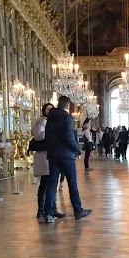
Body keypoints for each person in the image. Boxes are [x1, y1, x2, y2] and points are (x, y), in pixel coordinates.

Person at [43, 95, 93, 224]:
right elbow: (69, 137)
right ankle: (78, 210)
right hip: (66, 156)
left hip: (53, 155)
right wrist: (76, 150)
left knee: (52, 184)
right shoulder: (66, 117)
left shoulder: (50, 118)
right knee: (72, 183)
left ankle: (48, 214)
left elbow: (47, 136)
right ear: (68, 106)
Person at [31, 102, 54, 220]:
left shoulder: (44, 121)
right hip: (44, 156)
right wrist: (52, 132)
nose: (50, 111)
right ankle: (43, 209)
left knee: (47, 184)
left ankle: (48, 208)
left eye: (52, 109)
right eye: (48, 109)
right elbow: (38, 136)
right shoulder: (43, 121)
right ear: (44, 111)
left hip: (45, 156)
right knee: (46, 184)